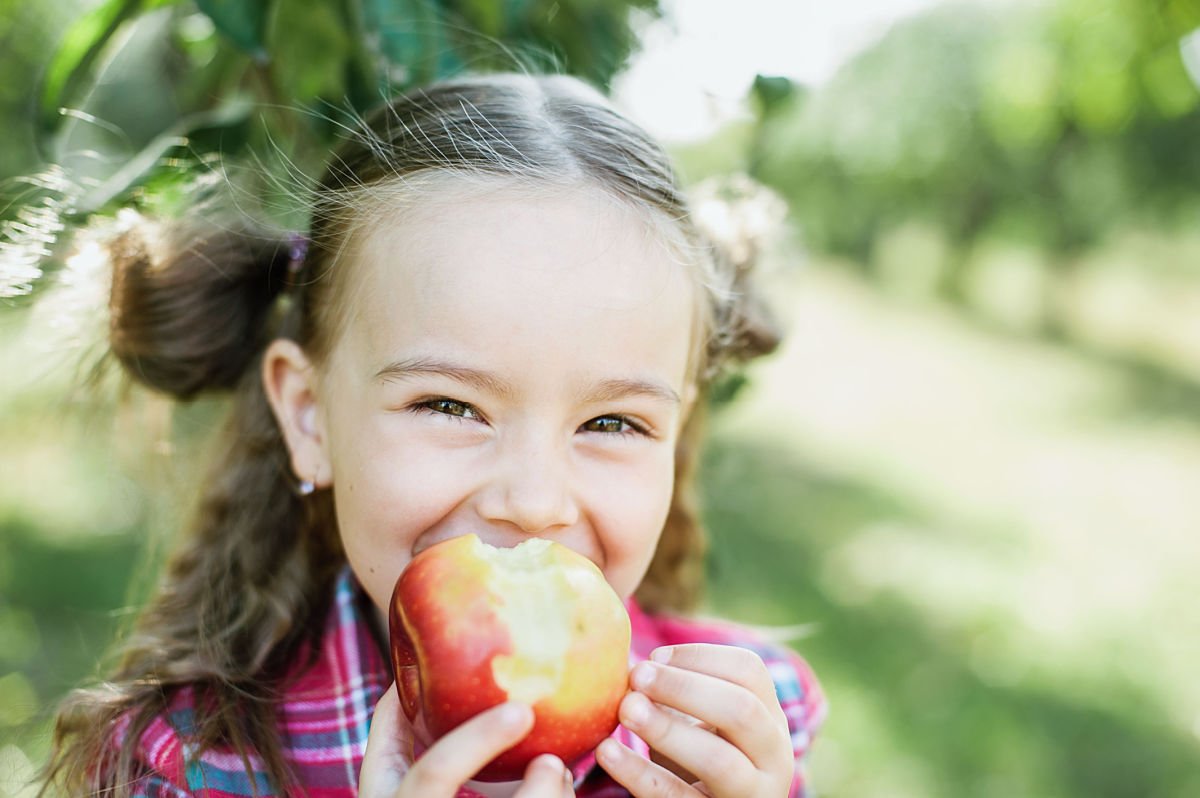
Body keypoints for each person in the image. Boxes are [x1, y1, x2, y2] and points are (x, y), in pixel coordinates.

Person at [40, 72, 825, 798]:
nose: (534, 502)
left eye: (612, 422)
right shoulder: (191, 764)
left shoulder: (734, 741)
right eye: (450, 407)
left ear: (676, 432)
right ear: (310, 415)